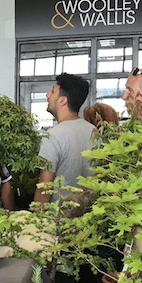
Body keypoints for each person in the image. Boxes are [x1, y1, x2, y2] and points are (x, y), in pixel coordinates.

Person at [34, 72, 95, 204]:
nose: (47, 95)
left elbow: (44, 189)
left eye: (52, 91)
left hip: (60, 215)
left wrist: (36, 214)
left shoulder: (52, 136)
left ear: (63, 100)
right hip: (92, 214)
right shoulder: (94, 132)